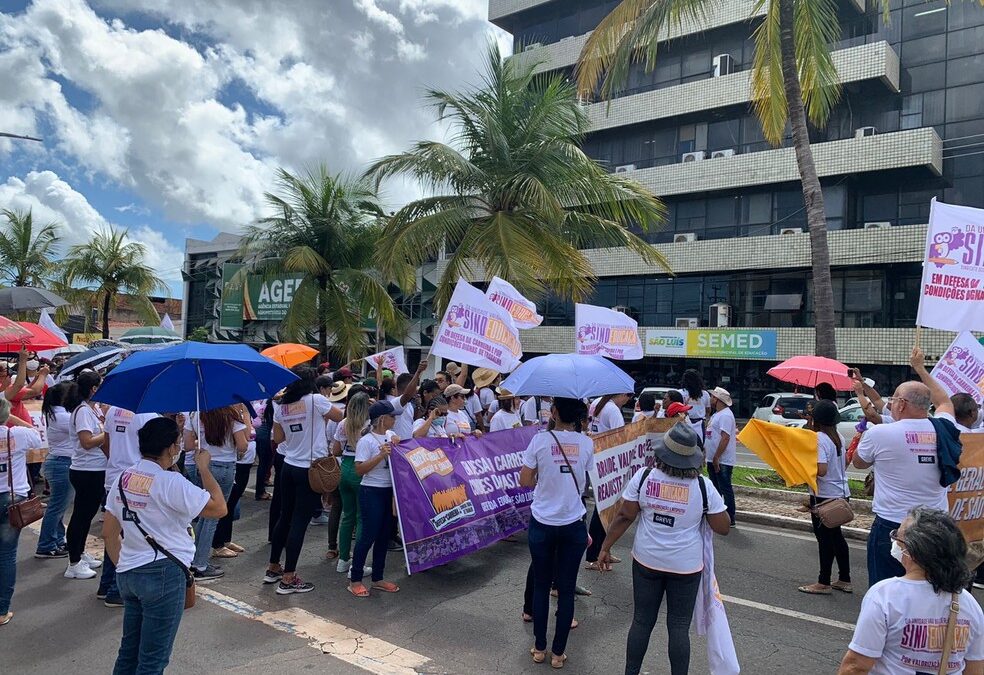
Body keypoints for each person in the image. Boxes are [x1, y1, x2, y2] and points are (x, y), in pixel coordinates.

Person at [597, 422, 730, 675]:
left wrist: (605, 547)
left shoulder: (644, 477)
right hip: (686, 567)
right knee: (679, 627)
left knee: (641, 621)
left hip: (647, 560)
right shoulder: (703, 487)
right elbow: (723, 527)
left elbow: (625, 516)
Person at [103, 417, 227, 675]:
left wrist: (124, 566)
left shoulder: (124, 477)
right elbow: (219, 508)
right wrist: (204, 469)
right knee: (153, 661)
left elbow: (109, 533)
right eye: (179, 442)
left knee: (129, 653)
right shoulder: (171, 483)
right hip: (163, 573)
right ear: (171, 448)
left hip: (128, 572)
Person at [838, 508, 984, 675]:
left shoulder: (885, 595)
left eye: (897, 537)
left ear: (911, 550)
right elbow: (975, 669)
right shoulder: (969, 604)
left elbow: (856, 666)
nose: (894, 543)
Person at [853, 361, 949, 587]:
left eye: (894, 399)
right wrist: (921, 369)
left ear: (903, 404)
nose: (889, 403)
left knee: (885, 588)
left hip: (893, 527)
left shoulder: (880, 433)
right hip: (936, 526)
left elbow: (858, 463)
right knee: (930, 588)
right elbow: (944, 401)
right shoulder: (945, 427)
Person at [519, 397, 594, 670]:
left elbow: (525, 480)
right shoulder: (587, 443)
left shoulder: (539, 440)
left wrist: (544, 477)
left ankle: (539, 648)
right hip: (573, 523)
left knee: (541, 585)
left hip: (542, 523)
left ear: (554, 412)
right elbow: (588, 480)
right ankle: (558, 654)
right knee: (565, 588)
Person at [266, 367, 343, 593]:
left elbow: (278, 438)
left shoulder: (282, 405)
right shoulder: (316, 400)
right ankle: (289, 578)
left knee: (285, 517)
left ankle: (273, 568)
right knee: (299, 522)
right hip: (310, 469)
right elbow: (339, 417)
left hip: (288, 465)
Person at [100, 405, 160, 607]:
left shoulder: (112, 411)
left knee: (115, 534)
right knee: (130, 538)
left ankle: (106, 584)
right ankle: (116, 589)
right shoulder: (148, 414)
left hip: (114, 477)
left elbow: (106, 444)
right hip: (136, 481)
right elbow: (152, 450)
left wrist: (118, 461)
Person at [184, 405, 247, 581]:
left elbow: (188, 445)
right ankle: (201, 565)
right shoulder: (232, 415)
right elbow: (243, 446)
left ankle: (196, 559)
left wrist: (203, 442)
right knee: (213, 516)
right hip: (225, 466)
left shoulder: (195, 413)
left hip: (204, 464)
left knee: (205, 513)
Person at [798, 400, 852, 595]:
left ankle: (824, 582)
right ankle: (844, 578)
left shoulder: (819, 438)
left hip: (824, 497)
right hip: (840, 494)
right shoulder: (838, 437)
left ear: (816, 419)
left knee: (825, 541)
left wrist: (802, 466)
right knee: (837, 537)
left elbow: (821, 470)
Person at [349, 400, 401, 597]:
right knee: (368, 536)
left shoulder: (388, 435)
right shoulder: (366, 441)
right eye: (391, 416)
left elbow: (398, 440)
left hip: (389, 490)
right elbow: (359, 470)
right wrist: (380, 456)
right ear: (381, 419)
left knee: (383, 536)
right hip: (371, 490)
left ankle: (378, 578)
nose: (394, 419)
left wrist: (397, 441)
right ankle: (355, 579)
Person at [1, 397, 43, 626]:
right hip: (12, 498)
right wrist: (10, 419)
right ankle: (1, 609)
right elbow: (36, 436)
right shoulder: (16, 433)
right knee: (6, 555)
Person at [64, 371, 108, 581]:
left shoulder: (92, 409)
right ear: (93, 389)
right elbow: (87, 441)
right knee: (81, 516)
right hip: (86, 470)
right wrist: (107, 433)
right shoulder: (82, 411)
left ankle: (80, 553)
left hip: (95, 469)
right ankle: (73, 562)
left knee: (87, 515)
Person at [332, 391, 371, 575]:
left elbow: (336, 450)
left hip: (345, 468)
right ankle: (358, 564)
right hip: (361, 468)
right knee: (361, 518)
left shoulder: (343, 424)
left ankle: (343, 560)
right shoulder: (369, 425)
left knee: (347, 517)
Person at [35, 382, 75, 559]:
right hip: (62, 463)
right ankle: (46, 545)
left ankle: (57, 539)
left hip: (59, 462)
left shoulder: (56, 412)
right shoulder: (64, 417)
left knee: (59, 506)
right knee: (57, 507)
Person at [212, 404, 255, 558]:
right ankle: (218, 544)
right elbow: (245, 442)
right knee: (222, 506)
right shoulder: (230, 416)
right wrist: (245, 415)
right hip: (225, 465)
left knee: (229, 503)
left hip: (217, 464)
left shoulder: (209, 414)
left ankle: (224, 540)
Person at [705, 387, 737, 527]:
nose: (710, 399)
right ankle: (718, 514)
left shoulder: (725, 415)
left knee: (725, 488)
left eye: (712, 397)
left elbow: (725, 438)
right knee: (716, 488)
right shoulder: (716, 414)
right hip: (713, 458)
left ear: (717, 400)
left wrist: (717, 457)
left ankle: (730, 517)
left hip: (722, 460)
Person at [679, 369, 710, 437]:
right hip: (690, 422)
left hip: (686, 423)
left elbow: (708, 411)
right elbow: (708, 411)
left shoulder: (680, 393)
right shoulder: (705, 394)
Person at [253, 400, 274, 500]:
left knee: (264, 464)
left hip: (259, 432)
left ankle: (261, 490)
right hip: (265, 435)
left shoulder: (262, 402)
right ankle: (260, 492)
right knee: (264, 464)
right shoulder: (272, 404)